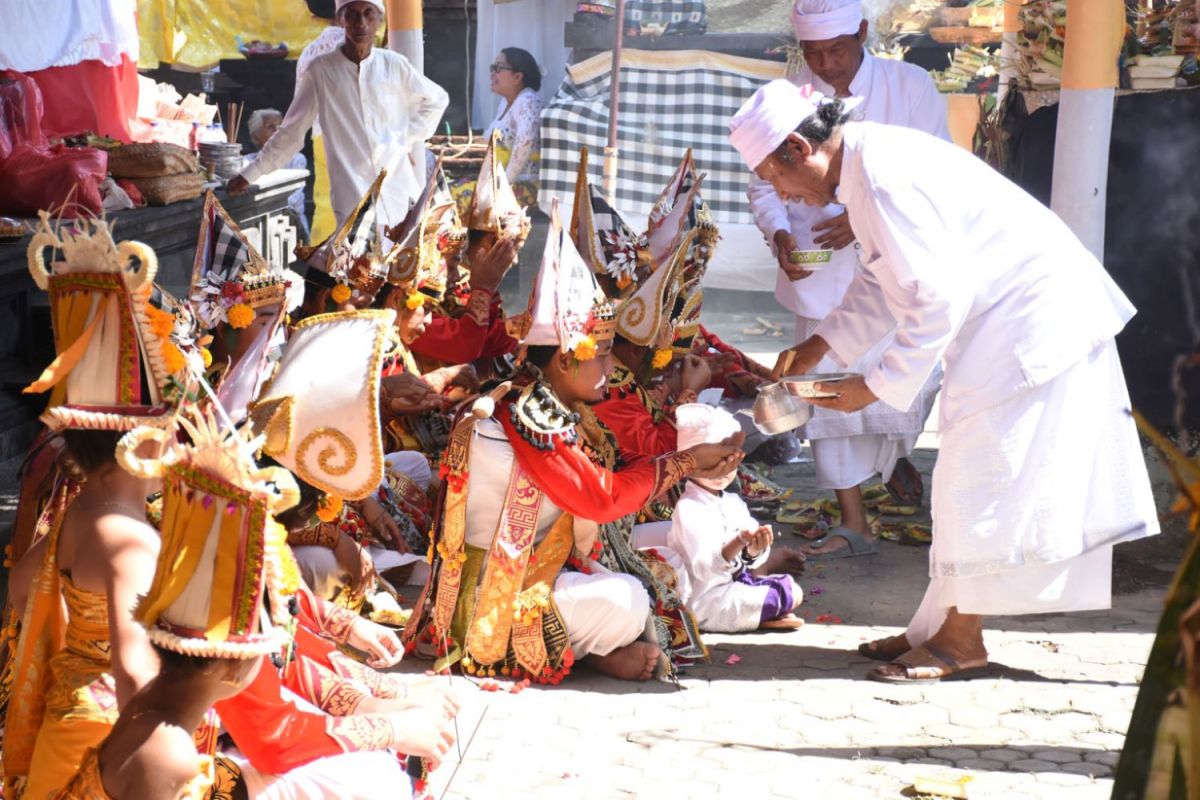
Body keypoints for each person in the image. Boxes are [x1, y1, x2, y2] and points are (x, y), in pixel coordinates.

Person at [729, 79, 1160, 682]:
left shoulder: (878, 176)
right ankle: (934, 630)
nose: (785, 196)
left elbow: (938, 297)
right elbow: (883, 281)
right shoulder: (865, 166)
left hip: (1031, 321)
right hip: (1011, 321)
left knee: (979, 479)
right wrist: (818, 347)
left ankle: (960, 643)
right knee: (971, 476)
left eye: (776, 179)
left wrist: (872, 386)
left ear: (800, 150)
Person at [403, 201, 744, 682]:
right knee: (629, 597)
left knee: (655, 572)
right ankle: (582, 650)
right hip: (490, 600)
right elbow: (603, 499)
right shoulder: (528, 416)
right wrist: (685, 463)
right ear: (564, 361)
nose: (610, 368)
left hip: (538, 567)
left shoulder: (539, 402)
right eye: (602, 354)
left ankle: (590, 647)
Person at [746, 0, 951, 559]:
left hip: (916, 270)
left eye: (837, 50)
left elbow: (930, 175)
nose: (827, 64)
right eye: (814, 54)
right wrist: (781, 228)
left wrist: (860, 216)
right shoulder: (790, 99)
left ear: (863, 32)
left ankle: (894, 458)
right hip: (827, 273)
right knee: (830, 384)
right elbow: (765, 186)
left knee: (903, 387)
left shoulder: (908, 87)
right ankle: (854, 517)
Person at [4, 217, 184, 798]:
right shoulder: (131, 539)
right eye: (175, 431)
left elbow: (22, 586)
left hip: (65, 717)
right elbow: (134, 674)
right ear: (145, 440)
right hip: (103, 737)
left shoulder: (80, 512)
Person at [228, 0, 449, 228]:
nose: (360, 23)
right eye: (352, 14)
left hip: (398, 193)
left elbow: (436, 99)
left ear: (379, 20)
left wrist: (403, 137)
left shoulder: (393, 65)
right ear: (341, 19)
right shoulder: (321, 71)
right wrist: (250, 174)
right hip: (353, 198)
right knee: (354, 259)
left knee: (403, 258)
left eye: (368, 14)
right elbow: (291, 133)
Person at [669, 404, 805, 633]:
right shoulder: (688, 508)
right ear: (690, 464)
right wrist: (738, 543)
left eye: (729, 460)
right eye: (711, 462)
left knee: (790, 588)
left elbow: (750, 560)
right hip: (706, 601)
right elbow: (705, 569)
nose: (721, 469)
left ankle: (761, 612)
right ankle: (759, 614)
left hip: (733, 586)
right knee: (784, 595)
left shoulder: (733, 501)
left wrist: (755, 549)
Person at [455, 47, 543, 212]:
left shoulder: (528, 101)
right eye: (492, 68)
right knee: (447, 191)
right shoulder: (506, 103)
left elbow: (524, 145)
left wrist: (502, 186)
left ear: (517, 77)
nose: (492, 73)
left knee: (457, 199)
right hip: (498, 181)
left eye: (499, 68)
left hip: (523, 185)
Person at [245, 108, 311, 239]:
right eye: (270, 127)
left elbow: (292, 200)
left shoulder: (296, 160)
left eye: (281, 127)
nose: (278, 132)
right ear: (255, 137)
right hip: (258, 229)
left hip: (291, 230)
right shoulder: (247, 162)